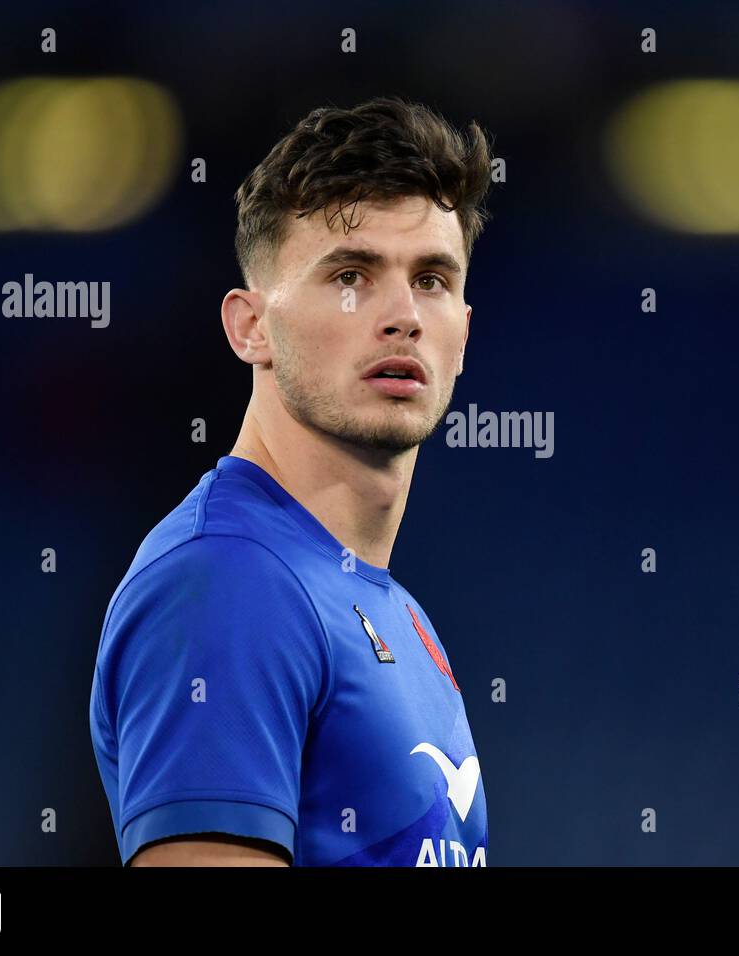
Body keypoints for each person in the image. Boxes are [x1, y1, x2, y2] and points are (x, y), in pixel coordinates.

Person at [89, 96, 494, 866]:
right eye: (351, 275)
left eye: (433, 280)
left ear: (464, 334)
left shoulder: (393, 612)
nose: (403, 315)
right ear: (250, 327)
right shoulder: (226, 583)